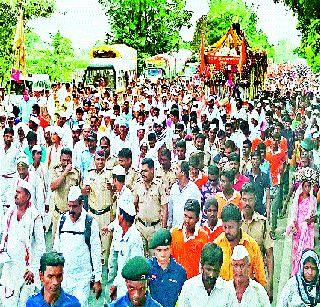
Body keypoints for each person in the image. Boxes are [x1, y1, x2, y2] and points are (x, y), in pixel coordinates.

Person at [53, 186, 102, 306]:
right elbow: (56, 248)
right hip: (64, 278)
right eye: (69, 206)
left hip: (82, 279)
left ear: (82, 204)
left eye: (74, 206)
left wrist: (97, 279)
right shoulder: (63, 220)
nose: (71, 210)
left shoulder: (90, 223)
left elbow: (96, 252)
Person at [0, 181, 45, 306]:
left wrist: (33, 269)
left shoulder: (35, 216)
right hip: (10, 269)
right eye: (16, 192)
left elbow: (40, 246)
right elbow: (4, 237)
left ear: (28, 196)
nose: (16, 195)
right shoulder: (9, 213)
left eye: (19, 192)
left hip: (27, 272)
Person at [214, 204, 267, 286]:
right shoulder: (217, 245)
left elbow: (261, 279)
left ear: (240, 224)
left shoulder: (252, 246)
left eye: (231, 227)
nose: (227, 231)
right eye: (225, 227)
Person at [240, 183, 274, 301]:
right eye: (244, 199)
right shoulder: (235, 224)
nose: (247, 203)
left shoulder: (263, 223)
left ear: (255, 200)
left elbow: (269, 255)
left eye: (250, 199)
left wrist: (269, 284)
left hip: (258, 279)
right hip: (238, 278)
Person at [108, 195, 144, 301]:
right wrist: (115, 284)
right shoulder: (121, 233)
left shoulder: (134, 239)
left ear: (122, 217)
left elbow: (136, 269)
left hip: (130, 290)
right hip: (121, 287)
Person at [83, 150, 114, 263]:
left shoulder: (110, 174)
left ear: (105, 160)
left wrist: (112, 188)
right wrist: (84, 191)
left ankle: (103, 276)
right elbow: (84, 191)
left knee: (105, 247)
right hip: (92, 214)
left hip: (105, 214)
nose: (100, 162)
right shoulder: (89, 173)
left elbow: (115, 191)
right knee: (92, 242)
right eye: (98, 159)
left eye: (102, 159)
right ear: (94, 160)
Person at [134, 158, 168, 249]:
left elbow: (165, 208)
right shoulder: (138, 184)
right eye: (142, 171)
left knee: (154, 258)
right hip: (140, 227)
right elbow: (134, 204)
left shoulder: (160, 185)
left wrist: (163, 230)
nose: (143, 174)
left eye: (145, 171)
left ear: (152, 170)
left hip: (155, 228)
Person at [286, 177, 317, 276]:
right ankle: (296, 272)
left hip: (307, 230)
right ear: (302, 187)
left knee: (307, 250)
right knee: (296, 252)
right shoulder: (297, 199)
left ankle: (306, 273)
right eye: (305, 186)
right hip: (298, 228)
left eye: (309, 186)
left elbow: (315, 216)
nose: (307, 189)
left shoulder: (313, 200)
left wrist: (310, 220)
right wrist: (294, 226)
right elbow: (294, 214)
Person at [148, 228, 187, 307]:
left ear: (171, 248)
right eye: (159, 250)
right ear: (154, 251)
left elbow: (184, 299)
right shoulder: (148, 268)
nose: (163, 254)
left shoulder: (180, 272)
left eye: (166, 249)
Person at [171, 199, 208, 279]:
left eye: (191, 218)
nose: (187, 220)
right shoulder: (174, 233)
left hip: (194, 282)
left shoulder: (203, 237)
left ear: (197, 219)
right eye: (185, 216)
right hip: (176, 280)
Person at [50, 147, 80, 236]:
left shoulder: (76, 172)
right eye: (64, 160)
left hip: (71, 214)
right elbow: (53, 187)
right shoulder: (55, 170)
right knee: (56, 243)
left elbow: (80, 192)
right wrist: (65, 172)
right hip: (58, 212)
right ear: (60, 159)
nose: (66, 163)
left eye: (68, 160)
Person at [168, 161, 201, 228]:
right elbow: (170, 207)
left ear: (182, 173)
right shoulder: (174, 187)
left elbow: (197, 211)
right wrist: (169, 225)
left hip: (188, 229)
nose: (175, 171)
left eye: (177, 169)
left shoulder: (193, 189)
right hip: (175, 229)